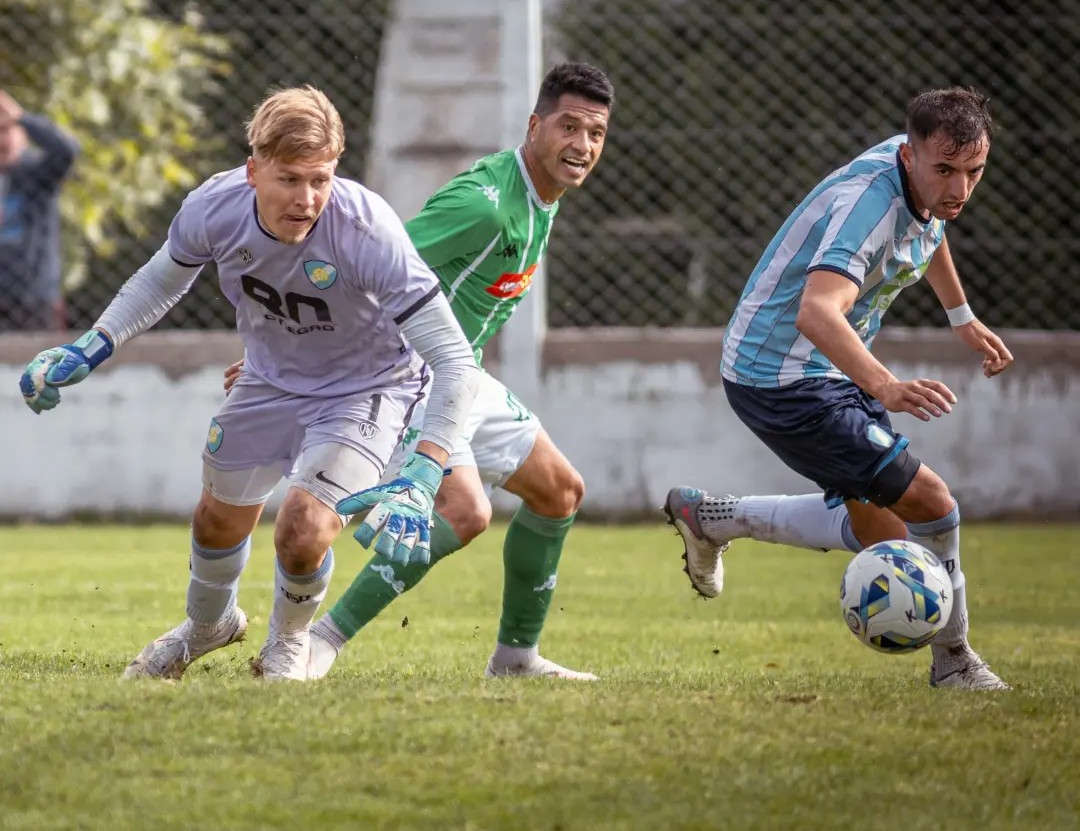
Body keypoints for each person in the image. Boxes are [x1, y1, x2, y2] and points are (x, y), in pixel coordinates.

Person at [19, 85, 481, 681]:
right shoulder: (215, 207)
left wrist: (423, 471)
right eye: (289, 179)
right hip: (267, 379)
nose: (307, 198)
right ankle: (209, 626)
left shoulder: (367, 231)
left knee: (304, 525)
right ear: (252, 169)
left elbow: (455, 361)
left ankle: (289, 642)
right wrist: (93, 343)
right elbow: (162, 279)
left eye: (321, 179)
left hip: (366, 391)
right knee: (215, 520)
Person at [224, 61, 613, 680]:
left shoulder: (540, 197)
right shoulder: (484, 208)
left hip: (464, 376)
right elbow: (374, 263)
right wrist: (287, 343)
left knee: (559, 491)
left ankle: (516, 658)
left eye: (595, 134)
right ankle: (316, 645)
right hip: (410, 376)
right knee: (465, 512)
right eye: (570, 128)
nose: (582, 146)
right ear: (536, 126)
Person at [665, 86, 1014, 691]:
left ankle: (711, 517)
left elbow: (930, 229)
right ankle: (954, 661)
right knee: (934, 505)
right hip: (781, 377)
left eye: (974, 172)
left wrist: (962, 317)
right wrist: (886, 386)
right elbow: (817, 313)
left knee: (889, 539)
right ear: (909, 156)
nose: (959, 189)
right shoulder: (870, 207)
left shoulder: (920, 174)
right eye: (946, 171)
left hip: (818, 369)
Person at [0, 89, 80, 330]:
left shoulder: (36, 173)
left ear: (22, 136)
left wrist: (20, 116)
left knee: (41, 364)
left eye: (5, 130)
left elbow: (66, 150)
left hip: (34, 297)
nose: (2, 140)